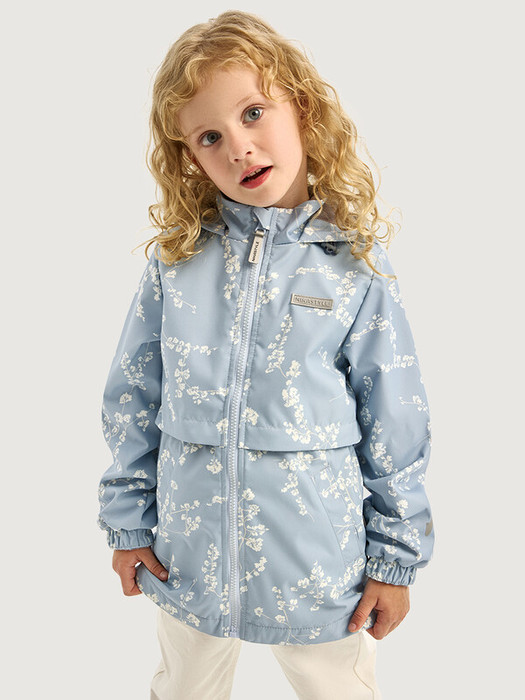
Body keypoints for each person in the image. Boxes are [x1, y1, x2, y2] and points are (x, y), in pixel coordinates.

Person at [97, 10, 435, 699]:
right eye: (210, 137)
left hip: (317, 560)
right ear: (190, 158)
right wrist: (129, 523)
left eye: (253, 113)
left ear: (301, 107)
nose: (239, 148)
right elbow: (133, 395)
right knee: (183, 686)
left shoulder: (354, 268)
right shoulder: (177, 264)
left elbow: (394, 421)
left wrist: (393, 560)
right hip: (188, 551)